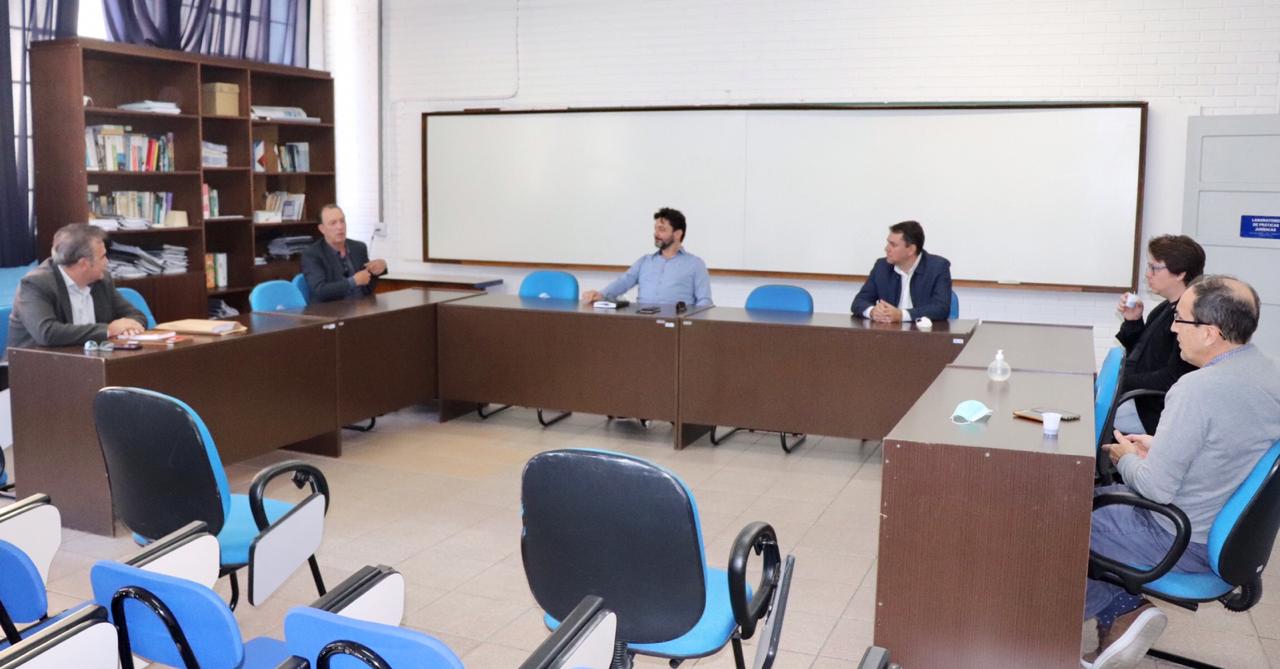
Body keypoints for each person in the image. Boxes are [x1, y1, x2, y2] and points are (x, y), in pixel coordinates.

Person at [1083, 275, 1280, 669]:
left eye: (1180, 319)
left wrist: (1125, 457)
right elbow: (1230, 447)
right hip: (1223, 531)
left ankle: (1111, 612)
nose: (1173, 328)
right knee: (1093, 502)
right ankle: (1121, 614)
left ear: (1210, 332)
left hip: (1178, 537)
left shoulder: (1197, 389)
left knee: (1060, 522)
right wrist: (1161, 447)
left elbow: (1155, 488)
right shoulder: (1267, 373)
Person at [1111, 235, 1205, 434]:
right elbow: (1143, 355)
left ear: (1180, 274)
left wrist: (1120, 382)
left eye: (1154, 268)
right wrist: (1133, 321)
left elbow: (1172, 377)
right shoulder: (1164, 308)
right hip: (1138, 399)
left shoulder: (1190, 319)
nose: (1147, 274)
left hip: (1151, 410)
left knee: (1090, 415)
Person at [6, 223, 146, 352]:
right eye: (103, 257)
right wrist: (108, 330)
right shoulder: (35, 284)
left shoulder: (102, 280)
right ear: (84, 263)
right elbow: (47, 333)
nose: (107, 262)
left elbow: (136, 315)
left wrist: (129, 327)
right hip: (38, 364)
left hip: (90, 361)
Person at [581, 207, 712, 308]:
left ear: (677, 234)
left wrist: (694, 326)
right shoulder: (645, 261)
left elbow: (704, 301)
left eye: (662, 229)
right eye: (655, 229)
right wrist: (601, 295)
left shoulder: (695, 264)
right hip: (643, 323)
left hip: (677, 326)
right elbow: (623, 282)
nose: (656, 234)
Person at [850, 220, 952, 322]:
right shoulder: (882, 267)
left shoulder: (937, 267)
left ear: (911, 250)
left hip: (921, 330)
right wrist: (873, 311)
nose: (886, 248)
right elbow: (859, 302)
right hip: (887, 330)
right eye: (888, 243)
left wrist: (901, 315)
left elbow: (941, 309)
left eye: (893, 245)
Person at [301, 204, 388, 302]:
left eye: (342, 221)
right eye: (333, 223)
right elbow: (320, 290)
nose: (340, 227)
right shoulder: (312, 254)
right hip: (332, 309)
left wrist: (381, 268)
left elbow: (367, 283)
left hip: (362, 306)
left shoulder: (358, 248)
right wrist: (353, 281)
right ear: (322, 229)